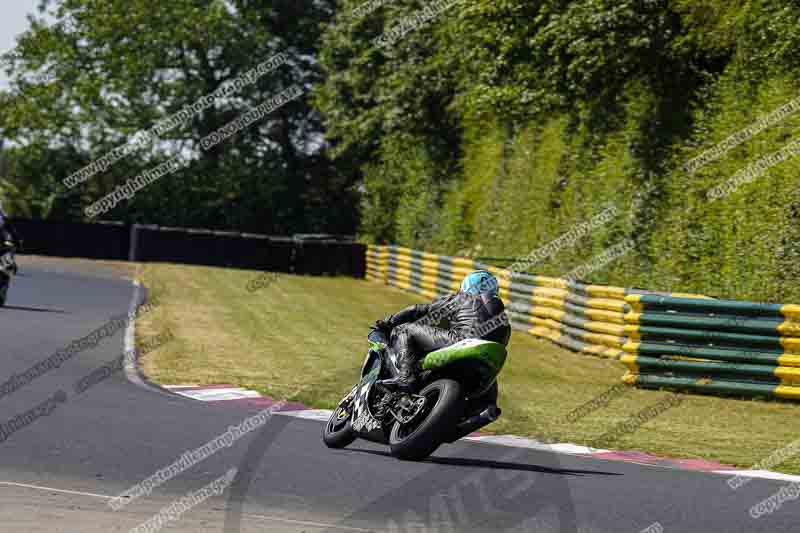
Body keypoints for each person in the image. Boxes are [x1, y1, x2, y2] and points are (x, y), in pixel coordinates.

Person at [374, 270, 511, 393]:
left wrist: (388, 322)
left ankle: (405, 377)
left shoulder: (463, 298)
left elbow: (419, 310)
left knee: (404, 329)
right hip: (486, 364)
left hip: (461, 341)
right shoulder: (504, 318)